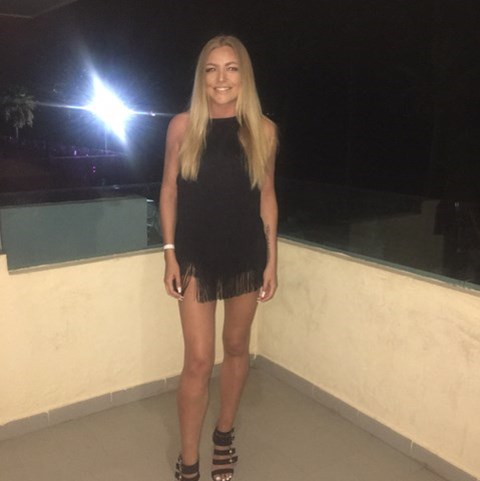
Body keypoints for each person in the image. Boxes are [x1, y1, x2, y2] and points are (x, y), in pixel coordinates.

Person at [159, 35, 278, 481]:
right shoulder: (182, 126)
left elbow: (267, 197)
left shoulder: (263, 130)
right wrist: (169, 253)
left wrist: (272, 260)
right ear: (201, 77)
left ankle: (224, 435)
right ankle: (189, 460)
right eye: (211, 69)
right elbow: (168, 190)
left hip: (246, 254)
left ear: (244, 76)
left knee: (236, 347)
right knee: (197, 360)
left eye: (231, 68)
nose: (221, 78)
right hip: (195, 255)